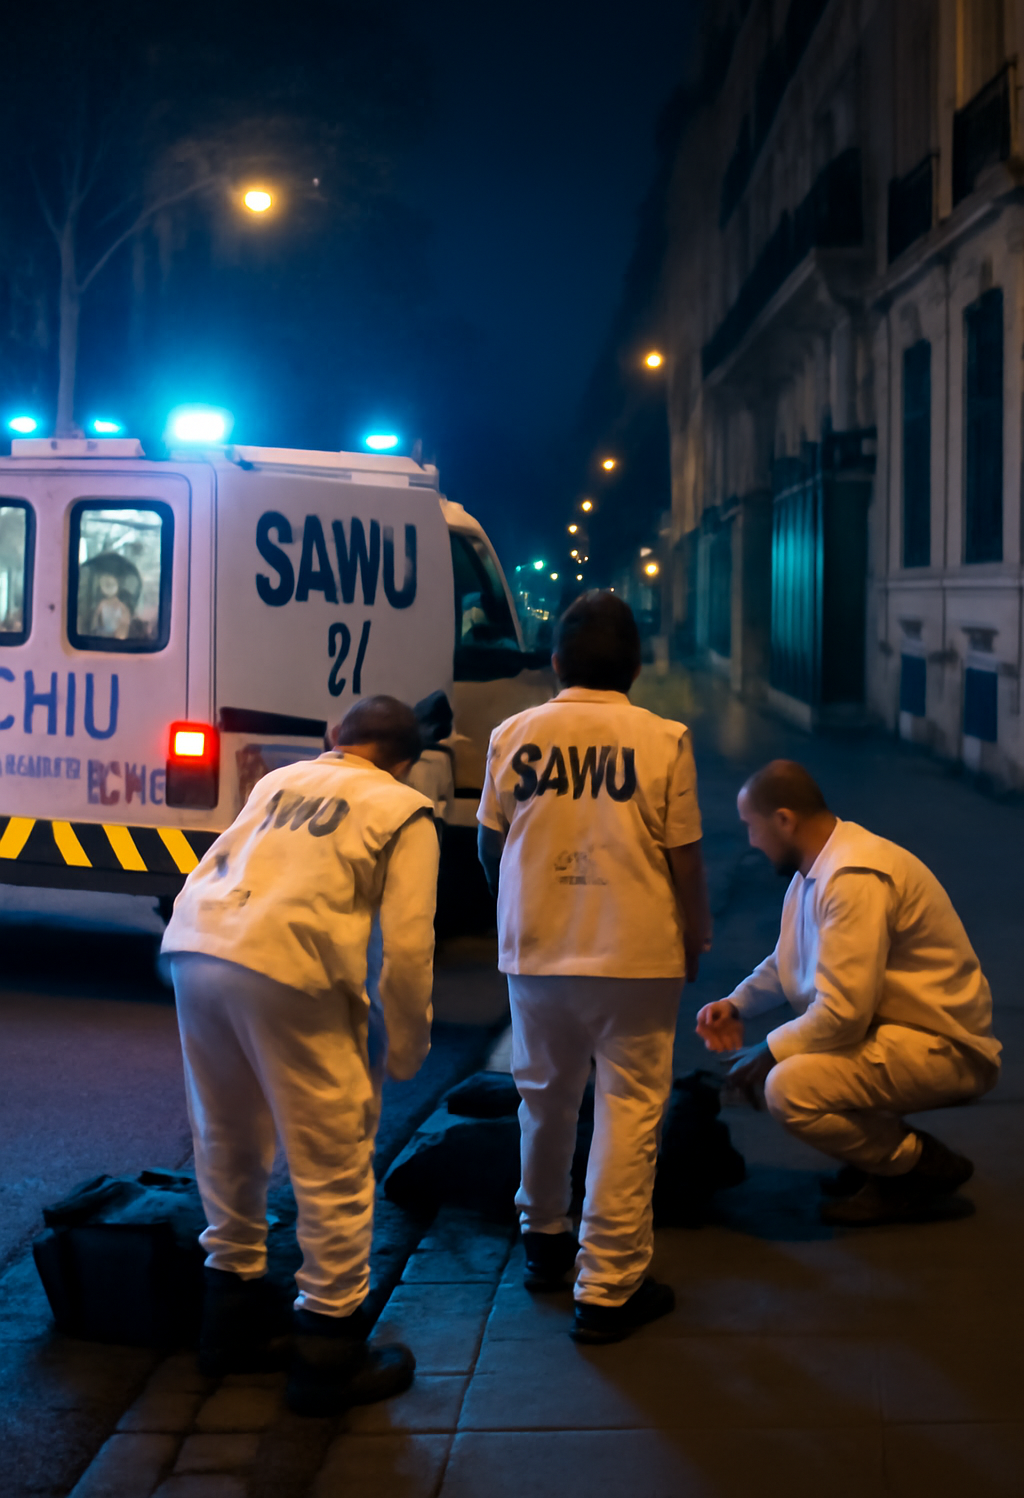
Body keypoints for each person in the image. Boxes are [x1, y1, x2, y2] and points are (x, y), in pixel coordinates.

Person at [161, 695, 439, 1416]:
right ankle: (327, 1349)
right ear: (409, 759)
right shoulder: (403, 810)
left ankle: (231, 1324)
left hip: (197, 945)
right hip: (289, 964)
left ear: (332, 739)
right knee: (334, 1160)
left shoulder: (279, 782)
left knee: (226, 1138)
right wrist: (406, 1051)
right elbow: (408, 950)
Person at [477, 591, 712, 1343]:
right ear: (637, 666)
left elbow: (491, 842)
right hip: (636, 953)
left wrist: (518, 901)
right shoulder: (664, 740)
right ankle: (608, 1283)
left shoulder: (514, 734)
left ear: (555, 661)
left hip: (538, 949)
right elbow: (684, 858)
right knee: (628, 1109)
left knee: (543, 1097)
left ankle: (544, 1240)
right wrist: (695, 937)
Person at [696, 760, 1001, 1225]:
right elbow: (788, 963)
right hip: (901, 1033)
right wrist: (736, 1004)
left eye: (752, 828)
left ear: (784, 820)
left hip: (944, 1047)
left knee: (788, 1085)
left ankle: (915, 1166)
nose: (751, 842)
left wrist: (768, 1051)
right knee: (801, 1060)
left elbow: (843, 1014)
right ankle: (875, 1159)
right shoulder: (817, 870)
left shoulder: (852, 876)